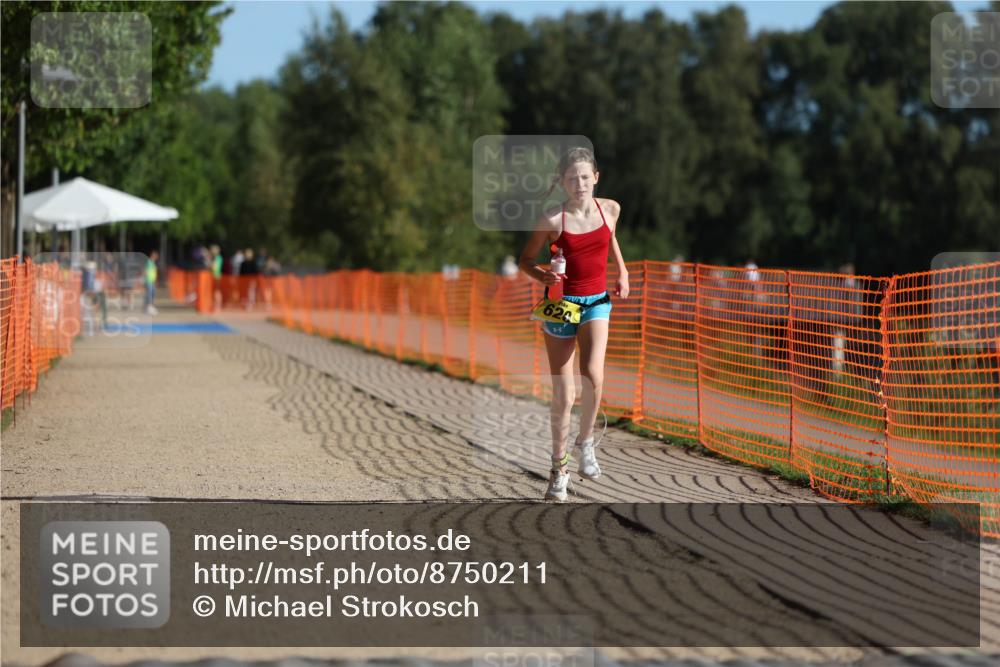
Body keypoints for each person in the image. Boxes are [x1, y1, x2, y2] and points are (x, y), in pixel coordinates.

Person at [518, 147, 629, 501]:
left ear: (596, 177)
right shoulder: (552, 219)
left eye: (585, 177)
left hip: (596, 302)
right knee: (564, 395)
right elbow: (524, 260)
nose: (579, 184)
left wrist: (622, 270)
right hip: (561, 306)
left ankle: (586, 443)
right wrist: (544, 275)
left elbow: (608, 236)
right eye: (571, 178)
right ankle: (558, 470)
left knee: (594, 375)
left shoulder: (610, 209)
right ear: (562, 182)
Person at [144, 250, 159, 315]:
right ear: (153, 255)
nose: (156, 257)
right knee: (150, 294)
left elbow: (154, 273)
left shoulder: (153, 263)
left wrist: (155, 281)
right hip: (149, 281)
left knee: (153, 294)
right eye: (155, 255)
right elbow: (145, 271)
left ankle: (151, 306)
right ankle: (148, 307)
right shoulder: (149, 262)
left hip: (152, 281)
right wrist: (146, 279)